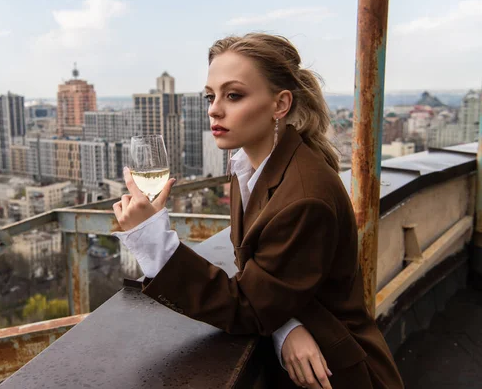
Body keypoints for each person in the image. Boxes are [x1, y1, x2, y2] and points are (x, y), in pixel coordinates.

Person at [112, 33, 404, 388]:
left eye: (233, 95)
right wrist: (287, 325)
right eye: (211, 95)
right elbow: (263, 277)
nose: (214, 108)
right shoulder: (250, 168)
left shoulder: (304, 195)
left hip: (336, 373)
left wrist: (152, 240)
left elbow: (248, 306)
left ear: (280, 105)